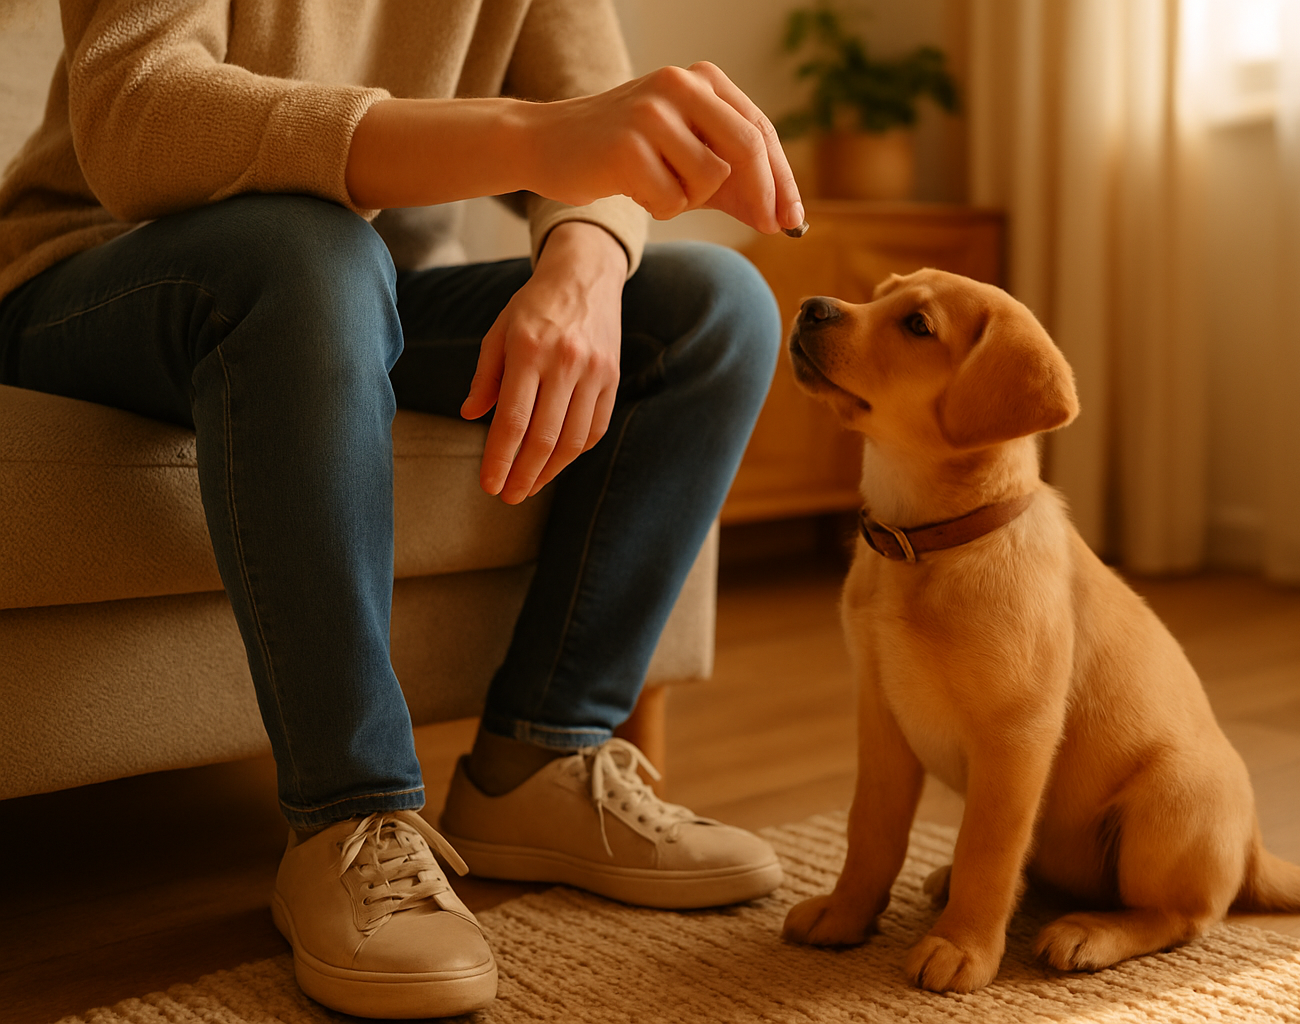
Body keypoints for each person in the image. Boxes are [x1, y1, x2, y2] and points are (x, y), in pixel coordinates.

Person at [0, 0, 804, 1017]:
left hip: (351, 287)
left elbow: (590, 108)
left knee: (712, 313)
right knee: (314, 253)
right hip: (95, 272)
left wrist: (584, 268)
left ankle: (542, 760)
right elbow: (143, 113)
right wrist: (532, 138)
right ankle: (350, 813)